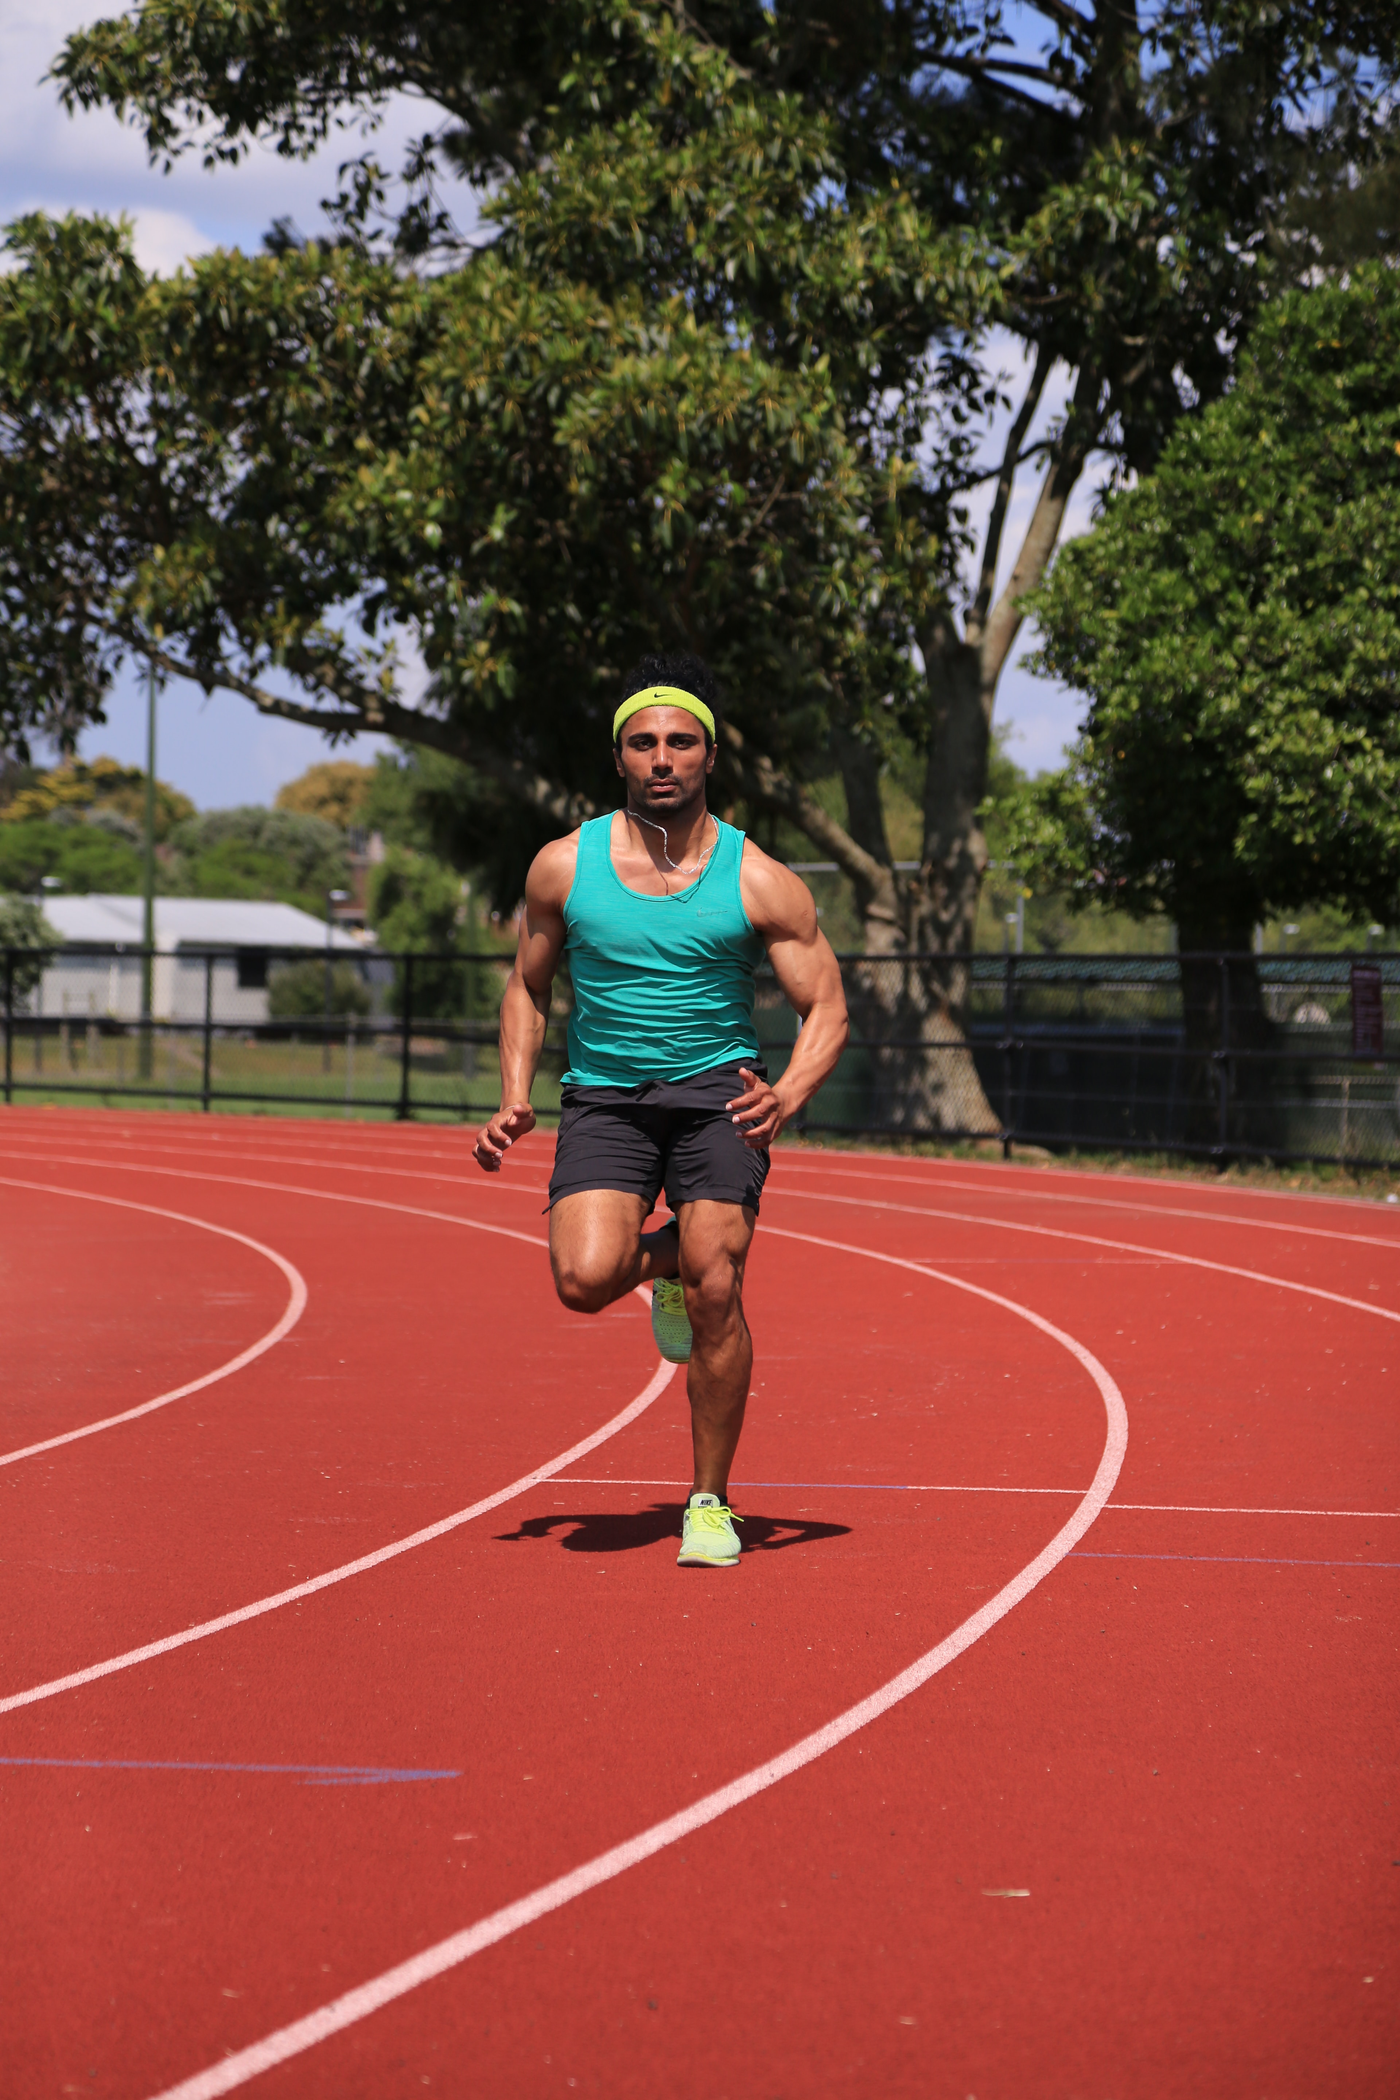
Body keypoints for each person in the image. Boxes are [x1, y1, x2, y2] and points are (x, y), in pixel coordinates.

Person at [472, 655, 848, 1568]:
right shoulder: (564, 867)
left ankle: (710, 1501)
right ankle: (666, 1263)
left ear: (710, 755)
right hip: (604, 1098)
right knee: (583, 1281)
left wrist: (788, 1093)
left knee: (722, 1281)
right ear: (620, 760)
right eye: (644, 744)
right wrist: (516, 1093)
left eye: (681, 741)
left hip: (720, 1095)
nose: (663, 758)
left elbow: (827, 1003)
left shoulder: (759, 878)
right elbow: (526, 989)